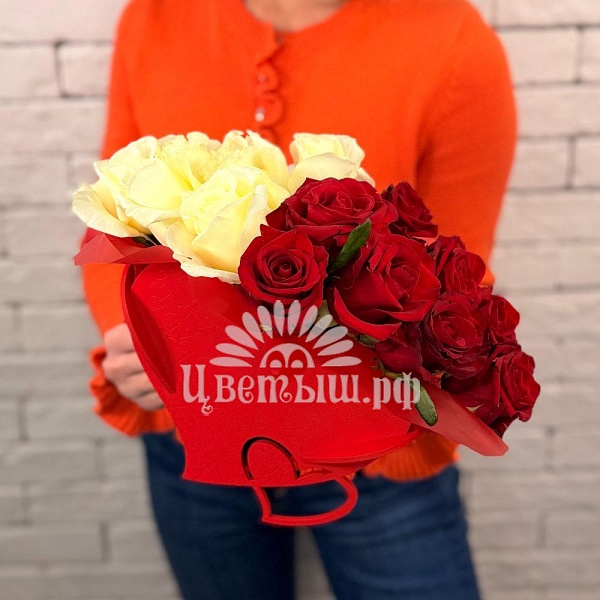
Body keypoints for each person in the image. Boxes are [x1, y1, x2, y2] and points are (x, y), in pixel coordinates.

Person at [82, 0, 516, 598]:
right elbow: (111, 218)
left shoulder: (451, 42)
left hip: (377, 451)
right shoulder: (156, 19)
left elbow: (458, 275)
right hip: (195, 428)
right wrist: (128, 335)